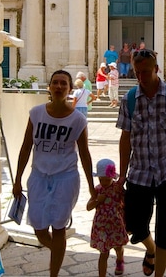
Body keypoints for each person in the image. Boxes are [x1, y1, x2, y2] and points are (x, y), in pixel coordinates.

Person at [117, 48, 166, 277]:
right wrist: (122, 174)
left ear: (157, 69)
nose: (141, 77)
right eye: (137, 72)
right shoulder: (129, 99)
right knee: (133, 224)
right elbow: (125, 140)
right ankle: (150, 250)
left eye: (146, 72)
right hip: (139, 173)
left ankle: (159, 275)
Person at [13, 70, 96, 277]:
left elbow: (85, 155)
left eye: (63, 84)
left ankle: (54, 273)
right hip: (38, 177)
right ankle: (57, 250)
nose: (59, 86)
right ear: (49, 87)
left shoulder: (77, 120)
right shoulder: (36, 113)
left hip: (65, 178)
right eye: (55, 83)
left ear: (69, 89)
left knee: (59, 227)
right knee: (39, 229)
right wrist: (17, 179)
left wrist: (92, 187)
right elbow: (25, 148)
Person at [86, 158, 128, 277]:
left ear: (112, 177)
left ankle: (120, 259)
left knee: (118, 247)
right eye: (101, 179)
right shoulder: (97, 190)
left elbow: (126, 203)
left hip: (116, 224)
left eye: (107, 179)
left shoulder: (118, 189)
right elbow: (88, 207)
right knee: (103, 253)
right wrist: (97, 201)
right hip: (102, 227)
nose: (104, 182)